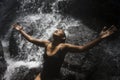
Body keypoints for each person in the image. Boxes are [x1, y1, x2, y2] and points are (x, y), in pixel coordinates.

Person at [12, 23, 117, 80]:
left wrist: (100, 38)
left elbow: (82, 48)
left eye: (60, 31)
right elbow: (31, 39)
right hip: (42, 76)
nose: (56, 30)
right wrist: (21, 30)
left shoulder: (64, 47)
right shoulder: (46, 43)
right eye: (56, 30)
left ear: (63, 38)